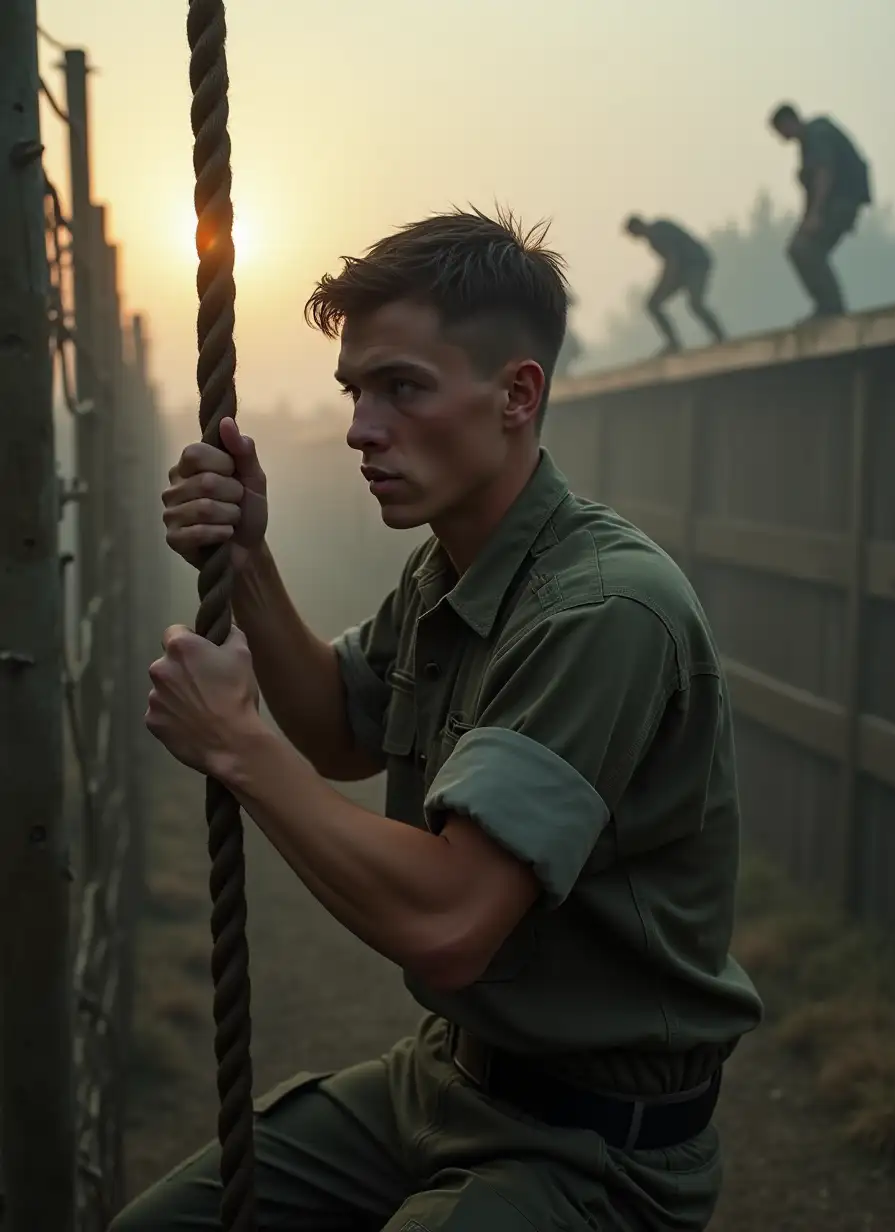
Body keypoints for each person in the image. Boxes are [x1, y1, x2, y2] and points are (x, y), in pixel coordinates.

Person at [113, 207, 763, 1231]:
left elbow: (449, 922)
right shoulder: (456, 567)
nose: (362, 428)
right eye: (357, 391)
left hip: (593, 1146)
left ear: (517, 394)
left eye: (403, 388)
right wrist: (248, 561)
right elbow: (339, 728)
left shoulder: (602, 608)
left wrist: (237, 746)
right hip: (443, 1081)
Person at [768, 102, 872, 319]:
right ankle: (828, 306)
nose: (780, 138)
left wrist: (816, 214)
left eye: (780, 131)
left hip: (841, 202)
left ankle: (831, 307)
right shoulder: (809, 141)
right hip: (838, 203)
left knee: (804, 249)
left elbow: (825, 173)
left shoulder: (816, 134)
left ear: (788, 122)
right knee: (804, 250)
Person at [623, 215, 726, 354]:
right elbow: (672, 263)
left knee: (695, 303)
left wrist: (664, 284)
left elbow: (673, 260)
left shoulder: (657, 233)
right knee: (653, 304)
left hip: (696, 264)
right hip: (683, 270)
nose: (635, 238)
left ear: (638, 226)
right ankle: (673, 343)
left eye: (634, 234)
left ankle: (719, 337)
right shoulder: (654, 237)